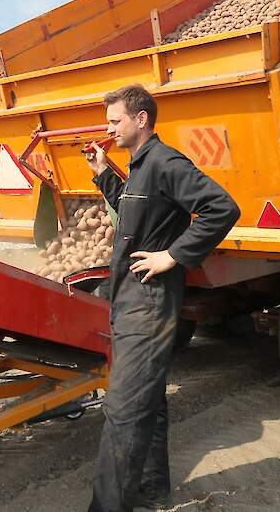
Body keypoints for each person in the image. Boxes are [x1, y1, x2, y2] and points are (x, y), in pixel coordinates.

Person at [84, 85, 240, 511]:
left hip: (149, 305)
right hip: (130, 301)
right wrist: (103, 172)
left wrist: (174, 256)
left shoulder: (167, 162)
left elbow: (221, 207)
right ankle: (152, 489)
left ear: (141, 120)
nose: (108, 129)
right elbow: (136, 211)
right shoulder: (140, 165)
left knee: (124, 409)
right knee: (146, 398)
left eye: (114, 121)